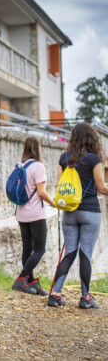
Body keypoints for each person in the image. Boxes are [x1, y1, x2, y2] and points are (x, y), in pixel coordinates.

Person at [48, 122, 108, 309]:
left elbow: (61, 185)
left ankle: (55, 294)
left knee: (70, 253)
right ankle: (85, 297)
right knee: (85, 254)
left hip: (69, 212)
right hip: (90, 211)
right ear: (92, 138)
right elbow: (101, 187)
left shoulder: (63, 158)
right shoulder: (94, 159)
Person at [12, 136, 54, 296]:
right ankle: (21, 279)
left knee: (27, 249)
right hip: (36, 214)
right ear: (38, 148)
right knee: (40, 249)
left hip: (21, 213)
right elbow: (41, 192)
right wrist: (54, 203)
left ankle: (30, 281)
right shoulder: (38, 166)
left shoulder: (19, 165)